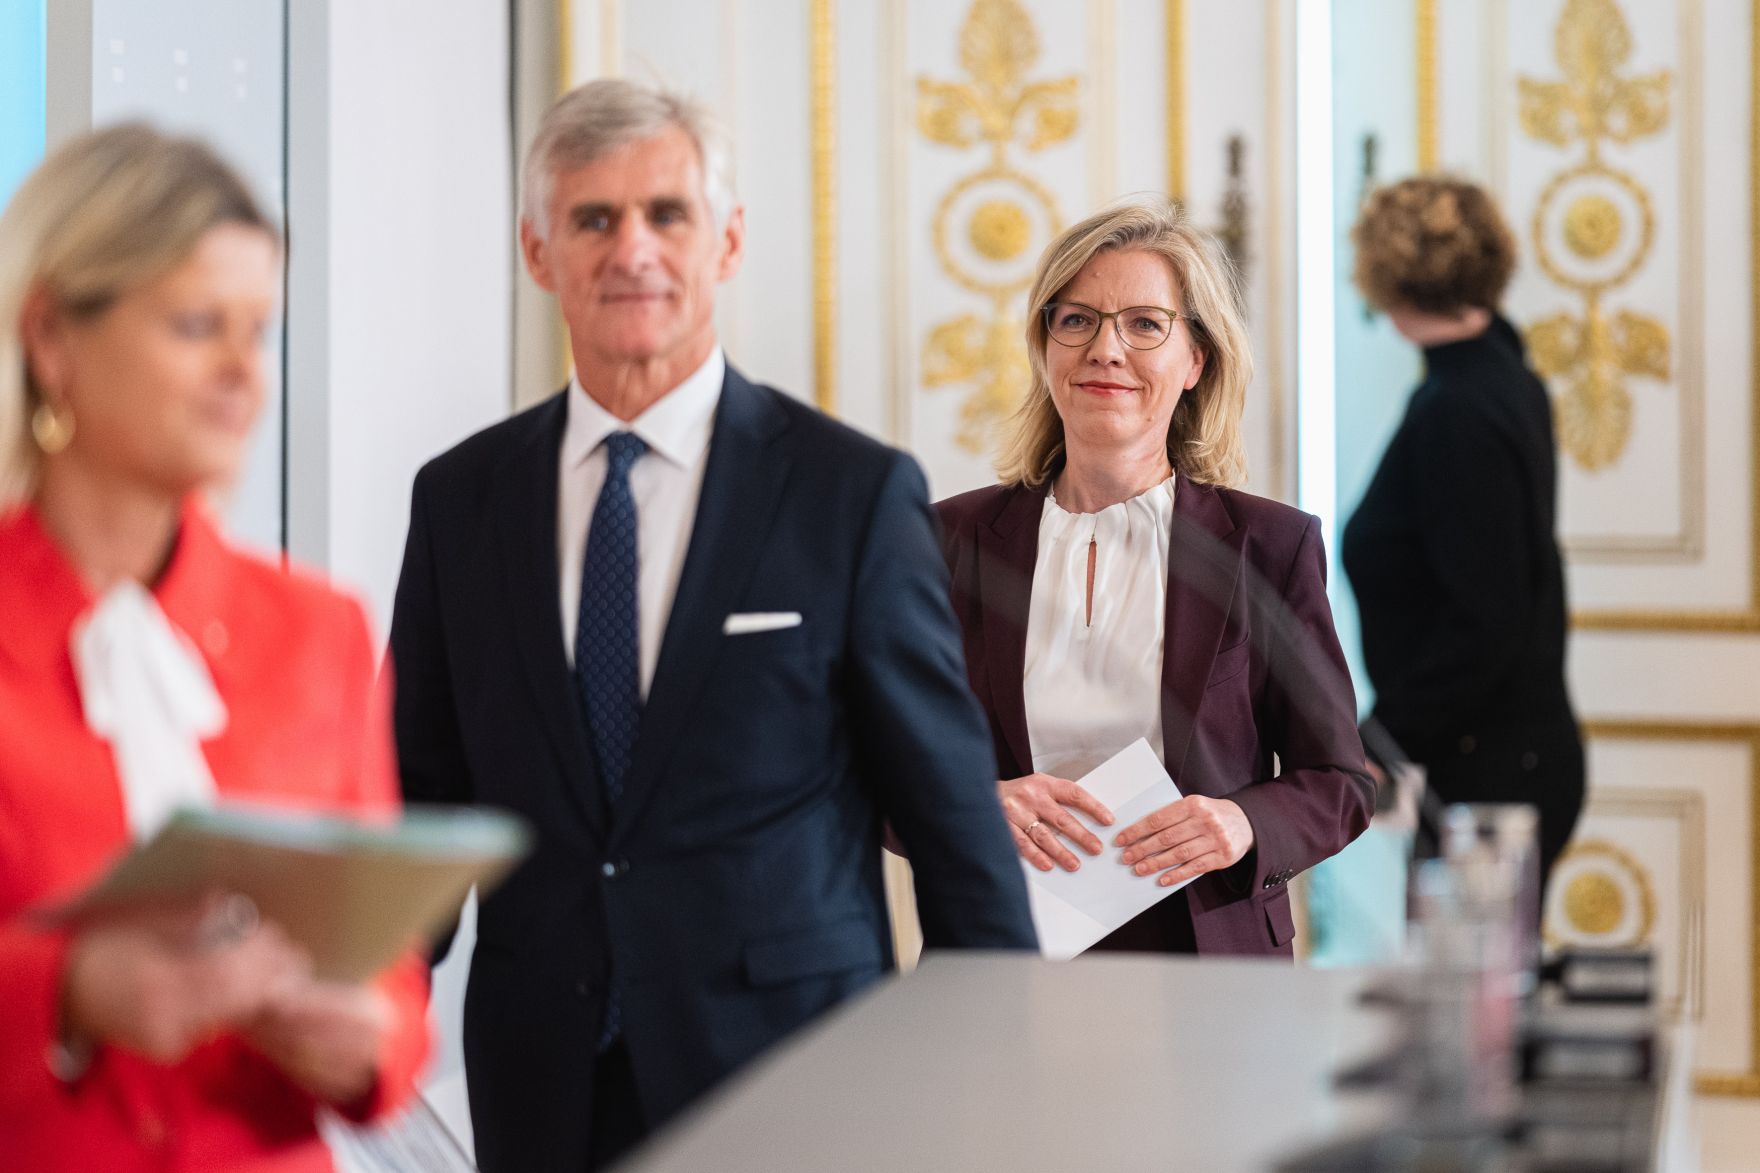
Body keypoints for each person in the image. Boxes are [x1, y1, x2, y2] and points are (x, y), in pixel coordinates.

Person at [388, 78, 1035, 1172]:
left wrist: (975, 1087)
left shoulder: (850, 494)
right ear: (538, 252)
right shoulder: (461, 502)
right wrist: (348, 1006)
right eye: (592, 219)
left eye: (666, 215)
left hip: (796, 1076)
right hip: (540, 1083)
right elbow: (422, 803)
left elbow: (953, 824)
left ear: (726, 242)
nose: (631, 249)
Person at [0, 125, 430, 1170]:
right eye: (198, 326)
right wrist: (68, 990)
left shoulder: (319, 630)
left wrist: (368, 1037)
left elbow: (390, 974)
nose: (245, 373)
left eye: (261, 331)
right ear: (52, 339)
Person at [937, 199, 1373, 957]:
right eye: (1076, 321)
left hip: (1210, 970)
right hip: (1002, 959)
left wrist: (1243, 822)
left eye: (1145, 324)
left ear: (1195, 360)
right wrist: (961, 805)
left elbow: (1340, 780)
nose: (1107, 349)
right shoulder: (946, 539)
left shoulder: (1269, 546)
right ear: (1045, 348)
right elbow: (859, 763)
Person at [1343, 176, 1584, 881]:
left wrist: (1380, 737)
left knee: (1471, 993)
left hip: (1490, 776)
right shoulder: (1503, 376)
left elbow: (1486, 618)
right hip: (1503, 757)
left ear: (1388, 282)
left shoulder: (1459, 411)